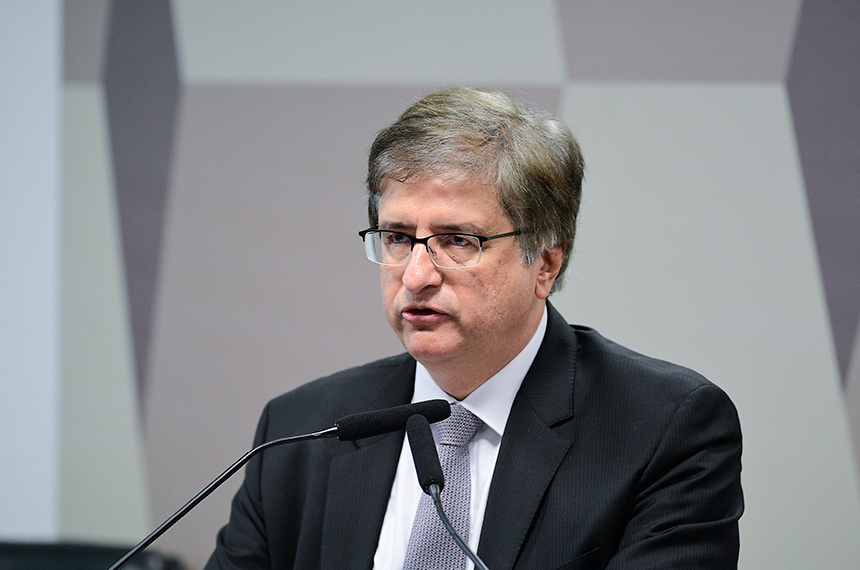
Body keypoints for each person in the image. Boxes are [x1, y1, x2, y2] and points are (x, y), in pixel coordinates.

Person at [205, 87, 743, 570]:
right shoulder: (301, 430)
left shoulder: (663, 429)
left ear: (545, 264)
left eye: (458, 240)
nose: (415, 275)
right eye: (397, 238)